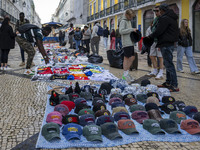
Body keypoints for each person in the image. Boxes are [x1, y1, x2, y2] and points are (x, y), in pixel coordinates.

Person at [147, 4, 179, 92]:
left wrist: (150, 37)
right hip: (169, 43)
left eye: (159, 10)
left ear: (162, 10)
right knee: (167, 63)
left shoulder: (164, 18)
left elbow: (159, 31)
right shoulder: (171, 17)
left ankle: (174, 85)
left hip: (166, 44)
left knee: (169, 65)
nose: (159, 12)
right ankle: (168, 82)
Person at [119, 9, 137, 82]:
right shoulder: (123, 21)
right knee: (126, 58)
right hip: (126, 43)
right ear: (126, 15)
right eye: (130, 16)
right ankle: (125, 74)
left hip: (130, 42)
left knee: (132, 57)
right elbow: (121, 31)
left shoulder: (128, 21)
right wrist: (131, 29)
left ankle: (126, 73)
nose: (131, 18)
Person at [147, 6, 164, 80]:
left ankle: (161, 72)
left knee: (160, 57)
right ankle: (155, 70)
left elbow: (162, 32)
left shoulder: (163, 19)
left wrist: (161, 43)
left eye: (157, 11)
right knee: (151, 55)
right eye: (155, 11)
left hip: (160, 41)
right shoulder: (155, 19)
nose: (156, 13)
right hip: (153, 41)